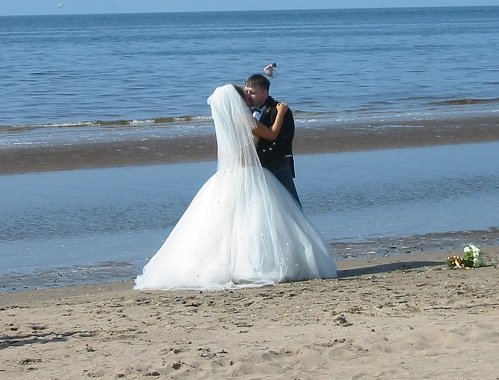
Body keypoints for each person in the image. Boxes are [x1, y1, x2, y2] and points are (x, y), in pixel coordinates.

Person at [134, 84, 337, 290]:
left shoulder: (225, 120)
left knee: (232, 220)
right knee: (253, 218)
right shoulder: (244, 118)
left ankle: (227, 265)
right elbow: (271, 135)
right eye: (245, 93)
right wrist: (280, 114)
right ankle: (255, 265)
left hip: (228, 173)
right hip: (249, 171)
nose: (248, 96)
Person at [244, 74, 301, 206]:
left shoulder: (280, 110)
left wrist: (263, 158)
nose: (248, 95)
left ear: (265, 92)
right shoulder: (246, 111)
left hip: (277, 164)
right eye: (246, 91)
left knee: (291, 204)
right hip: (255, 166)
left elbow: (283, 140)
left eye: (252, 93)